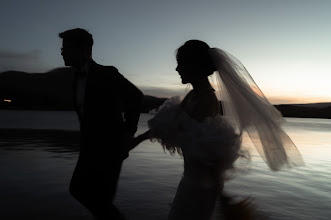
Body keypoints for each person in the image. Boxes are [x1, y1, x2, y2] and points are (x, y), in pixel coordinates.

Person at [134, 40, 303, 219]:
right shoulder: (193, 96)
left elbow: (209, 154)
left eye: (181, 64)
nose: (177, 69)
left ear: (194, 66)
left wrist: (223, 199)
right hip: (191, 180)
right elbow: (168, 124)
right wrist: (137, 140)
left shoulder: (206, 101)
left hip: (201, 186)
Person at [59, 28, 143, 219]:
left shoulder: (106, 73)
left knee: (100, 200)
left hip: (110, 149)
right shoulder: (75, 79)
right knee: (78, 189)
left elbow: (135, 97)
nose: (62, 52)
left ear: (82, 49)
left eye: (66, 48)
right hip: (89, 149)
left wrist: (127, 135)